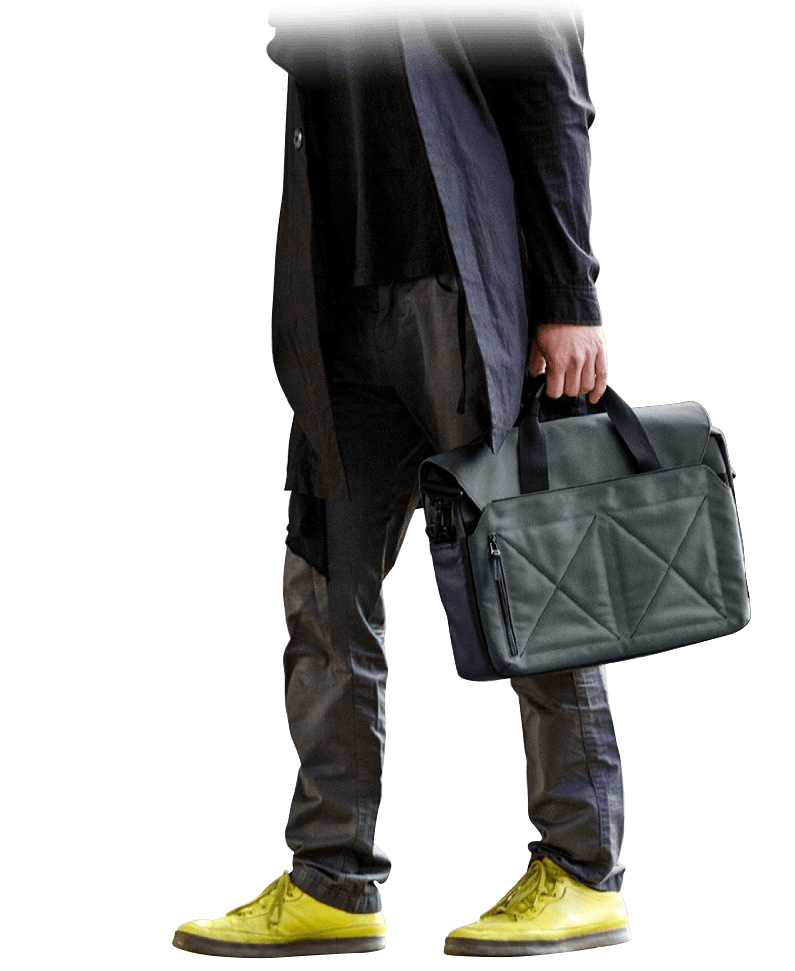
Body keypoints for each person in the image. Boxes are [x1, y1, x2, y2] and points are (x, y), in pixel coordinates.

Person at [172, 2, 628, 958]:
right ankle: (330, 880)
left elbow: (550, 88)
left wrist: (571, 295)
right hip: (336, 298)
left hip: (465, 289)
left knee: (531, 578)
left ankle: (585, 871)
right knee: (323, 585)